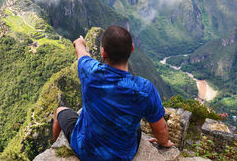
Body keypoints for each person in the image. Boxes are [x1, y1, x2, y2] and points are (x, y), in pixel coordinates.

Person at [52, 25, 173, 161]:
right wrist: (164, 143)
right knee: (136, 127)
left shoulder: (90, 72)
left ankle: (57, 149)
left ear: (103, 52)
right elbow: (160, 128)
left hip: (86, 150)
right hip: (122, 155)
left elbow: (81, 53)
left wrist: (79, 42)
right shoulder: (144, 89)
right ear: (132, 49)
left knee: (60, 111)